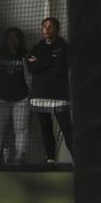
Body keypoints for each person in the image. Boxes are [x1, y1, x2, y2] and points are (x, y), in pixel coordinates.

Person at [27, 17, 72, 166]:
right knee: (45, 128)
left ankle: (78, 159)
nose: (46, 29)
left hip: (59, 95)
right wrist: (50, 60)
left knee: (67, 128)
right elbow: (32, 67)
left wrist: (40, 62)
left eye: (50, 27)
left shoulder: (65, 47)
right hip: (40, 94)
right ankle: (50, 158)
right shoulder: (37, 47)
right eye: (44, 26)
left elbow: (61, 69)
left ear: (57, 30)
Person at [0, 27, 30, 166]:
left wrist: (29, 95)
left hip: (21, 99)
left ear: (20, 40)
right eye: (10, 38)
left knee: (21, 129)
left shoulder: (25, 56)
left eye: (16, 37)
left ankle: (19, 158)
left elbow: (29, 77)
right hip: (0, 99)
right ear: (5, 40)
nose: (13, 40)